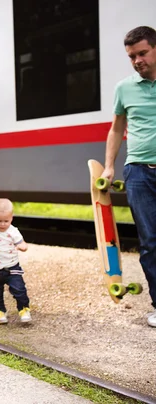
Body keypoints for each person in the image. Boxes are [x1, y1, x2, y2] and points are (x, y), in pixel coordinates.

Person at [101, 26, 156, 328]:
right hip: (138, 172)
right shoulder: (124, 88)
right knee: (149, 242)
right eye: (131, 56)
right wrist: (109, 166)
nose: (136, 60)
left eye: (142, 53)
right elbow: (115, 128)